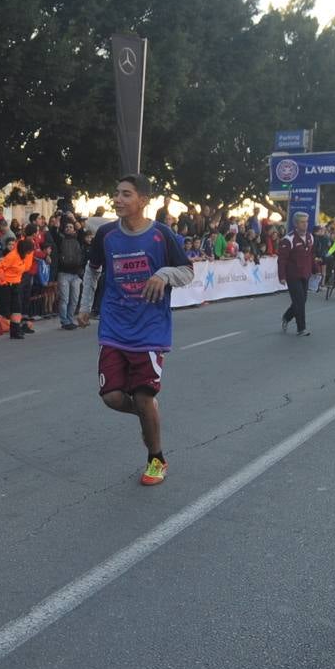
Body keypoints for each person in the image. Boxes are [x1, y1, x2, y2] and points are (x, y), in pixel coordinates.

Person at [76, 175, 193, 486]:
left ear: (143, 200)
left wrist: (164, 274)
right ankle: (147, 414)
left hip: (150, 329)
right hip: (114, 325)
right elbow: (93, 270)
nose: (118, 199)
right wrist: (85, 306)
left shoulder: (162, 235)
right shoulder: (106, 235)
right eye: (116, 193)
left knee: (143, 397)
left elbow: (187, 272)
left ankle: (156, 458)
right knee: (112, 397)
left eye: (126, 194)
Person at [278, 212, 316, 335]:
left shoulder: (310, 237)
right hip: (293, 275)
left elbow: (311, 255)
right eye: (302, 222)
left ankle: (287, 317)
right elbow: (282, 260)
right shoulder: (288, 239)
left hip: (305, 273)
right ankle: (301, 328)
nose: (305, 224)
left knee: (301, 301)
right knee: (299, 301)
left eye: (306, 222)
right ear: (296, 224)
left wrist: (315, 270)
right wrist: (282, 276)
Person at [52, 211, 87, 329]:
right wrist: (58, 217)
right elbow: (53, 231)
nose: (68, 228)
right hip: (63, 274)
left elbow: (82, 230)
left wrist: (73, 219)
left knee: (74, 299)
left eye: (71, 227)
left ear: (73, 230)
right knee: (64, 299)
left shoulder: (79, 239)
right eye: (66, 227)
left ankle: (70, 319)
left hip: (76, 275)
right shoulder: (60, 239)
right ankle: (65, 321)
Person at [0, 238, 33, 339]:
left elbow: (25, 268)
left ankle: (15, 332)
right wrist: (2, 281)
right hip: (5, 285)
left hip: (15, 284)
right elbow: (0, 267)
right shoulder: (12, 256)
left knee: (17, 308)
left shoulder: (22, 256)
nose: (30, 253)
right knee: (3, 309)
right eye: (29, 251)